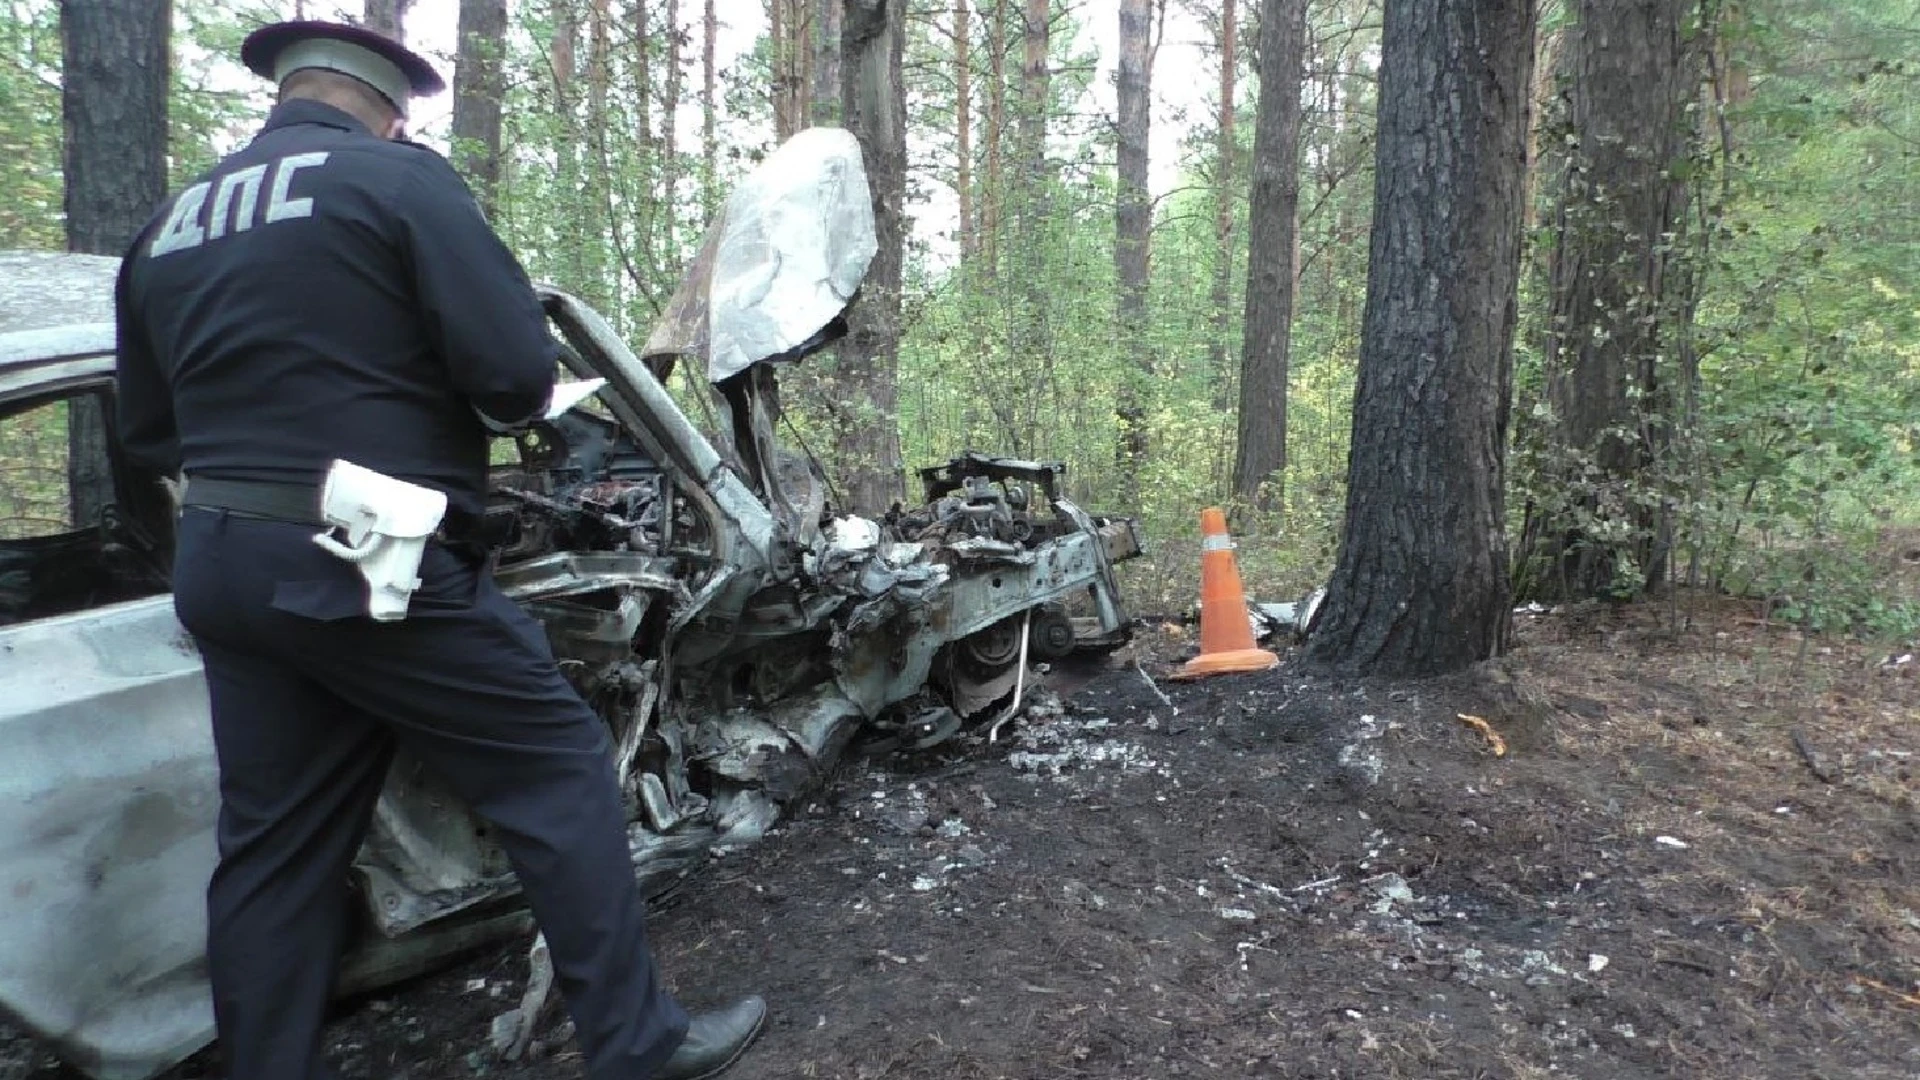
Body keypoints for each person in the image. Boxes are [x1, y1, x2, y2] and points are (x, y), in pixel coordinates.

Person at [112, 20, 765, 1080]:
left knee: (273, 848)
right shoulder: (398, 185)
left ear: (285, 96)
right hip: (358, 562)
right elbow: (513, 376)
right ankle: (639, 1045)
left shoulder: (172, 222)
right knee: (558, 769)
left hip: (223, 564)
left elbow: (146, 432)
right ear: (388, 106)